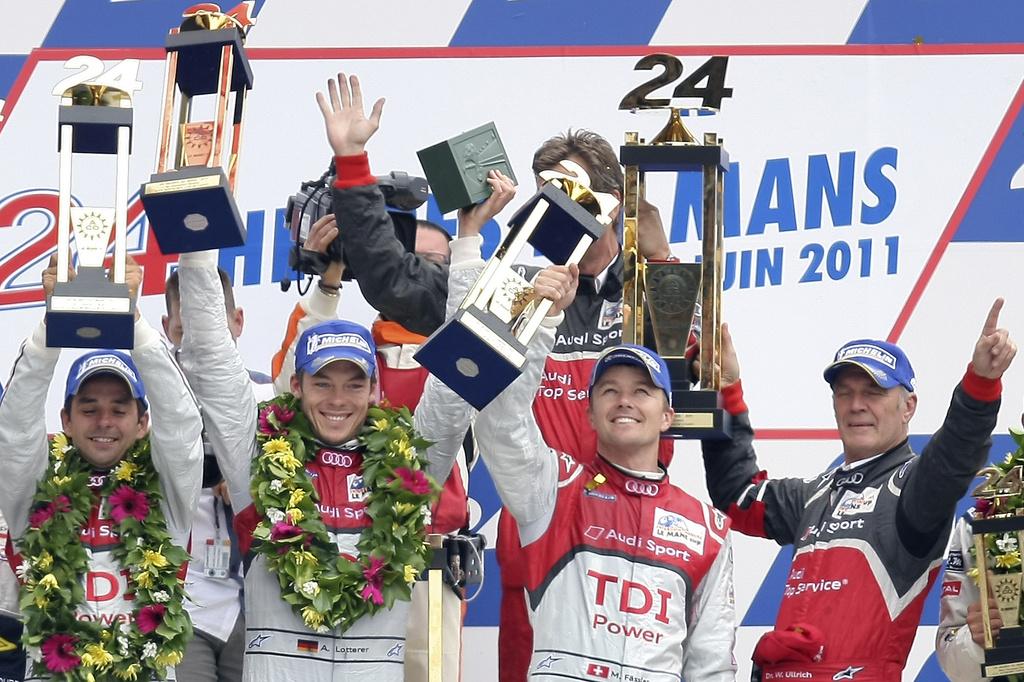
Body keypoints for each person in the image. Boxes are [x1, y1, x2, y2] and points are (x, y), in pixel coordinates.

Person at [415, 226, 737, 680]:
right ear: (589, 414)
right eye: (609, 390)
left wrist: (661, 256)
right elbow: (501, 422)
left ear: (669, 415)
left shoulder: (707, 529)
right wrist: (545, 324)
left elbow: (711, 666)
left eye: (642, 391)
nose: (624, 400)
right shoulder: (553, 490)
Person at [176, 238, 472, 680]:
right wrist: (197, 234)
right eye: (322, 382)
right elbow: (210, 354)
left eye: (354, 384)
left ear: (375, 391)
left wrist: (467, 247)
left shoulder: (407, 465)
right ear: (296, 385)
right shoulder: (256, 458)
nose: (338, 399)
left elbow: (454, 389)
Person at [307, 73, 517, 680]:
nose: (414, 276)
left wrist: (471, 234)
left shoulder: (470, 352)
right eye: (408, 263)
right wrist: (328, 278)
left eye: (433, 264)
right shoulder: (346, 361)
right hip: (339, 554)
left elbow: (405, 277)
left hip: (427, 559)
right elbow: (286, 377)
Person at [700, 302, 1017, 681]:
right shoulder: (815, 494)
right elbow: (737, 495)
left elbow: (953, 458)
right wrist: (725, 392)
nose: (856, 405)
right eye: (844, 393)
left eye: (873, 392)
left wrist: (981, 382)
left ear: (908, 406)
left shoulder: (913, 490)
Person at [0, 255, 203, 680]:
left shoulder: (168, 493)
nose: (105, 422)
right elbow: (16, 428)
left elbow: (183, 425)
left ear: (143, 422)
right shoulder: (33, 490)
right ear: (66, 421)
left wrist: (137, 324)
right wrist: (49, 327)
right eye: (89, 409)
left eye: (119, 408)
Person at [163, 268, 273, 682]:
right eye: (185, 327)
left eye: (214, 324)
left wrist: (250, 479)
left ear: (238, 321)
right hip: (188, 603)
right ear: (167, 330)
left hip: (258, 603)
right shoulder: (154, 404)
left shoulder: (269, 397)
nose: (201, 338)